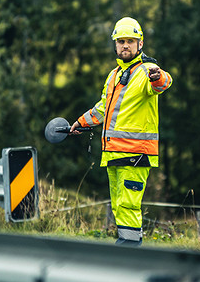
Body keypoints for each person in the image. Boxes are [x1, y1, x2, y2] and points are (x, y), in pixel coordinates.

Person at [70, 17, 173, 246]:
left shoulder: (146, 70)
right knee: (118, 204)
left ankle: (129, 249)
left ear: (140, 44)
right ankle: (127, 247)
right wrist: (80, 122)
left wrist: (158, 77)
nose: (125, 45)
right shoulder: (114, 75)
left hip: (135, 154)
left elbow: (162, 82)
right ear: (115, 44)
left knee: (128, 205)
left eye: (130, 41)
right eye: (121, 41)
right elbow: (103, 108)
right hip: (113, 154)